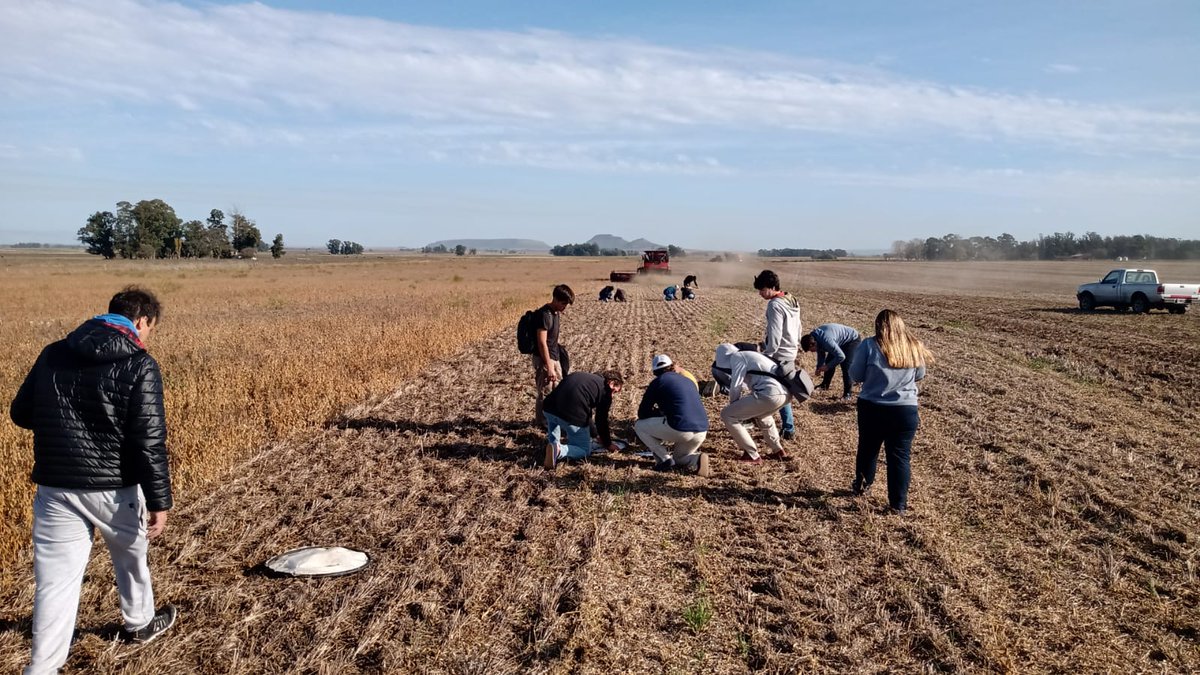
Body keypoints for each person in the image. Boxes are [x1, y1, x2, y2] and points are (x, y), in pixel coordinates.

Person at [9, 287, 177, 674]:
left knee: (54, 584)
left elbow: (21, 412)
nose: (148, 335)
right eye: (151, 328)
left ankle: (41, 668)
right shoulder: (140, 364)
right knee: (131, 559)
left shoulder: (54, 352)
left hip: (55, 487)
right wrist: (159, 502)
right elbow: (148, 442)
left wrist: (62, 423)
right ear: (141, 321)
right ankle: (139, 624)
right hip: (114, 489)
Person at [848, 309, 934, 515]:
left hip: (872, 407)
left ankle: (863, 486)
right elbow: (920, 374)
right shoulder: (913, 345)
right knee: (900, 457)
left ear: (878, 326)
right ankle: (898, 505)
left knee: (868, 449)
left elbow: (855, 374)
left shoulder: (868, 345)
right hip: (905, 410)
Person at [635, 355, 711, 476]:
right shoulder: (688, 381)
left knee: (639, 425)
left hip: (681, 428)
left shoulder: (658, 382)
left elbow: (642, 413)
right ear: (672, 367)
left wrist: (658, 413)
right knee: (680, 458)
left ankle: (664, 459)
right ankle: (696, 459)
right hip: (702, 430)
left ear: (655, 372)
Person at [715, 343, 790, 463]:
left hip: (771, 393)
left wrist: (734, 406)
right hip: (786, 394)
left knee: (728, 415)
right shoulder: (752, 355)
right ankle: (778, 451)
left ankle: (751, 454)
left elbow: (736, 386)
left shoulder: (737, 357)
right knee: (762, 415)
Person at [753, 270, 802, 439]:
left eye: (762, 289)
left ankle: (787, 428)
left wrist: (767, 354)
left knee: (776, 391)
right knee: (784, 389)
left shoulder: (774, 305)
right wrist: (798, 343)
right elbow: (799, 325)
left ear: (773, 287)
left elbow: (775, 334)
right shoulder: (791, 299)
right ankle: (785, 426)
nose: (760, 293)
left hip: (779, 353)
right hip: (791, 350)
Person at [542, 370, 624, 469]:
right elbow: (601, 420)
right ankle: (558, 450)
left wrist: (595, 435)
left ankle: (552, 444)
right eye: (614, 391)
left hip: (547, 408)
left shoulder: (582, 377)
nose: (612, 395)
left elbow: (586, 412)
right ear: (611, 383)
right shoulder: (605, 391)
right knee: (584, 449)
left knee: (554, 420)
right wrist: (608, 443)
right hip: (570, 415)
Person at [533, 284, 574, 425]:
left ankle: (554, 420)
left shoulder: (555, 314)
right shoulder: (544, 315)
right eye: (563, 303)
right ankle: (542, 423)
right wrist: (549, 366)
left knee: (558, 391)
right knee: (545, 392)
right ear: (555, 299)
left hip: (554, 357)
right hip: (545, 360)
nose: (564, 307)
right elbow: (542, 342)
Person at [801, 323, 862, 400]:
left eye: (811, 350)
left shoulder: (826, 341)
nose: (812, 352)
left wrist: (827, 366)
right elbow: (821, 353)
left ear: (813, 344)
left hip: (851, 340)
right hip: (838, 341)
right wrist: (819, 367)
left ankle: (847, 394)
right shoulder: (813, 338)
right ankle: (825, 385)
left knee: (846, 367)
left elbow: (841, 356)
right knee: (829, 361)